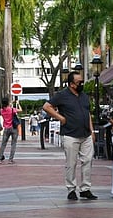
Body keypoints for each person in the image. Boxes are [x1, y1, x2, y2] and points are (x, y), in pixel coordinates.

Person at [42, 71, 98, 200]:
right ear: (72, 84)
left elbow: (87, 113)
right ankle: (71, 189)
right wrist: (60, 118)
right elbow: (46, 106)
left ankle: (85, 189)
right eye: (79, 82)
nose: (81, 84)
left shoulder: (84, 96)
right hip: (70, 134)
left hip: (86, 134)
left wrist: (92, 130)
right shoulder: (62, 95)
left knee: (88, 161)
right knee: (71, 163)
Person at [0, 98, 22, 164]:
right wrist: (18, 104)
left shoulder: (1, 110)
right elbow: (21, 110)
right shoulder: (12, 109)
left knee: (3, 144)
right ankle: (10, 160)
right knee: (13, 144)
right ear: (8, 102)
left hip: (6, 128)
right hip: (13, 128)